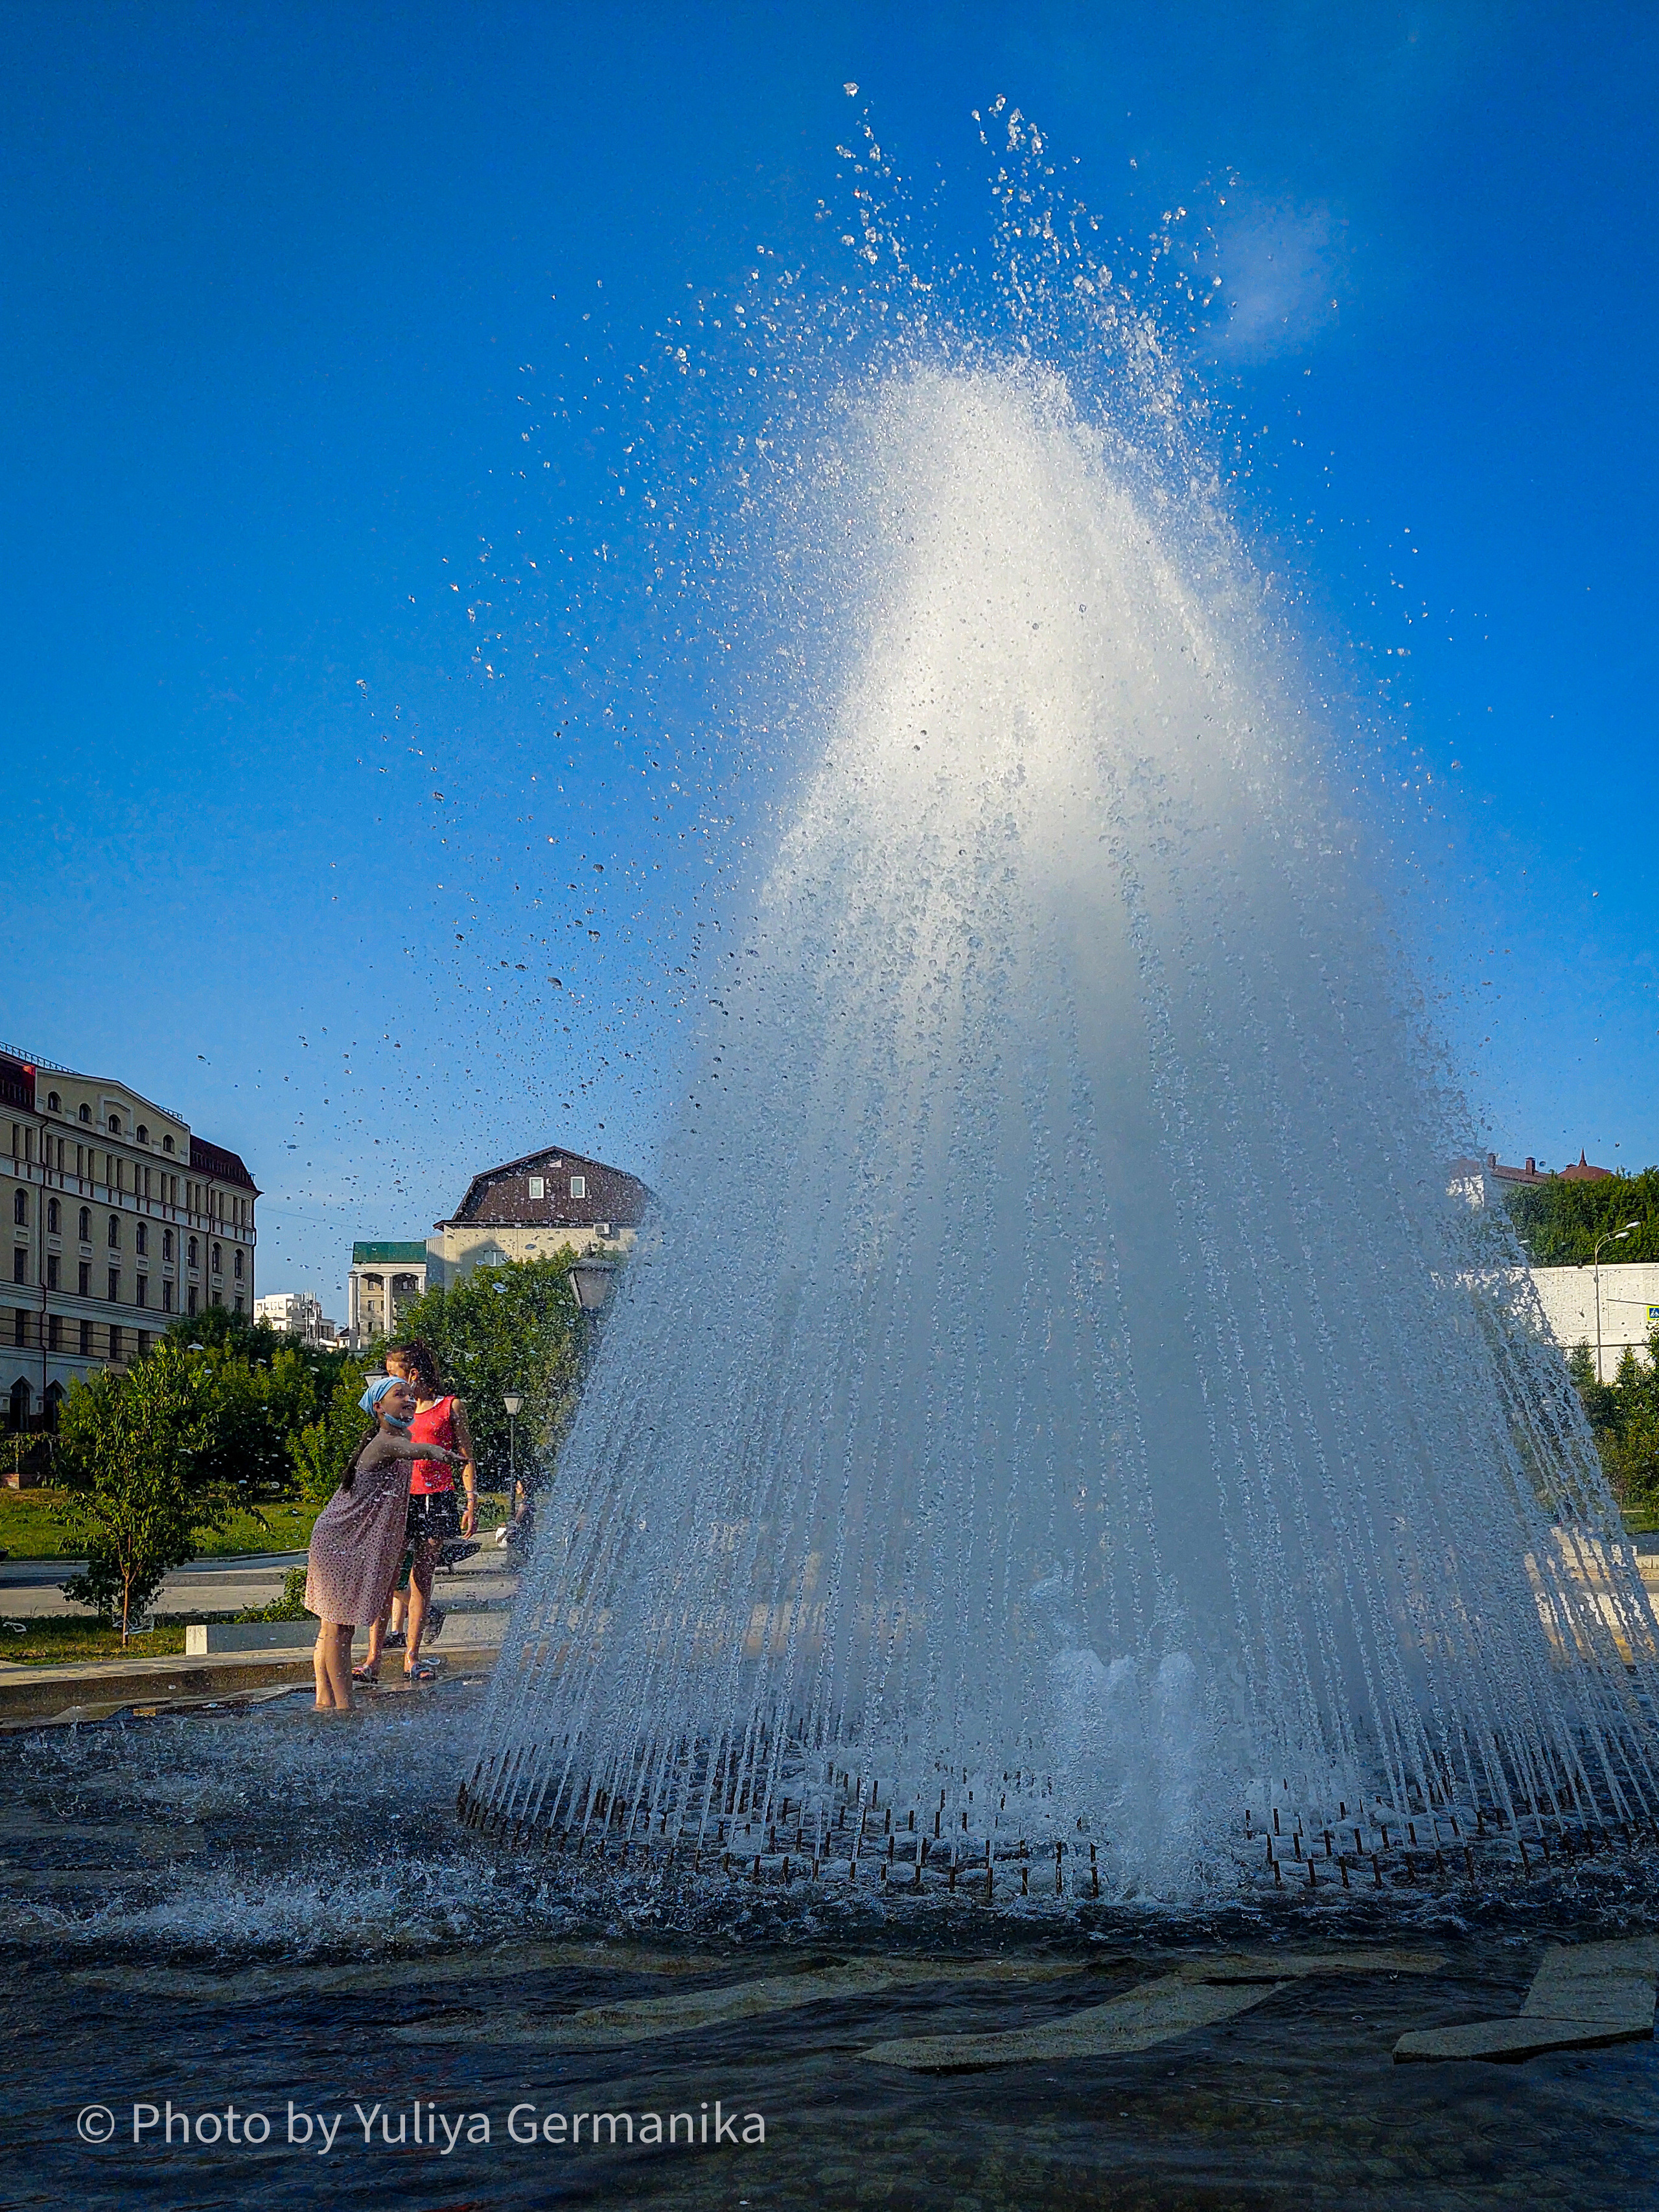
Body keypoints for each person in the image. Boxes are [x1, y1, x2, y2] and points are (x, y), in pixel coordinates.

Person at [303, 1376, 467, 1711]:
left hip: (342, 1539)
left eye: (410, 1394)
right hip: (340, 1542)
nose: (408, 1399)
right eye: (398, 1395)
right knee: (339, 1630)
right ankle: (346, 1709)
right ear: (378, 1407)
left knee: (330, 1629)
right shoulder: (385, 1442)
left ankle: (324, 1703)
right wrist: (438, 1451)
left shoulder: (396, 1437)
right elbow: (415, 1450)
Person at [380, 1337, 477, 1684]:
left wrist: (471, 1500)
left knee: (421, 1578)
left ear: (415, 1373)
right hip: (400, 1498)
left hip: (436, 1498)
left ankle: (412, 1657)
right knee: (388, 1576)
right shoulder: (396, 1411)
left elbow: (466, 1456)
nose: (389, 1382)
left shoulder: (450, 1407)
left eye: (395, 1375)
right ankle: (373, 1657)